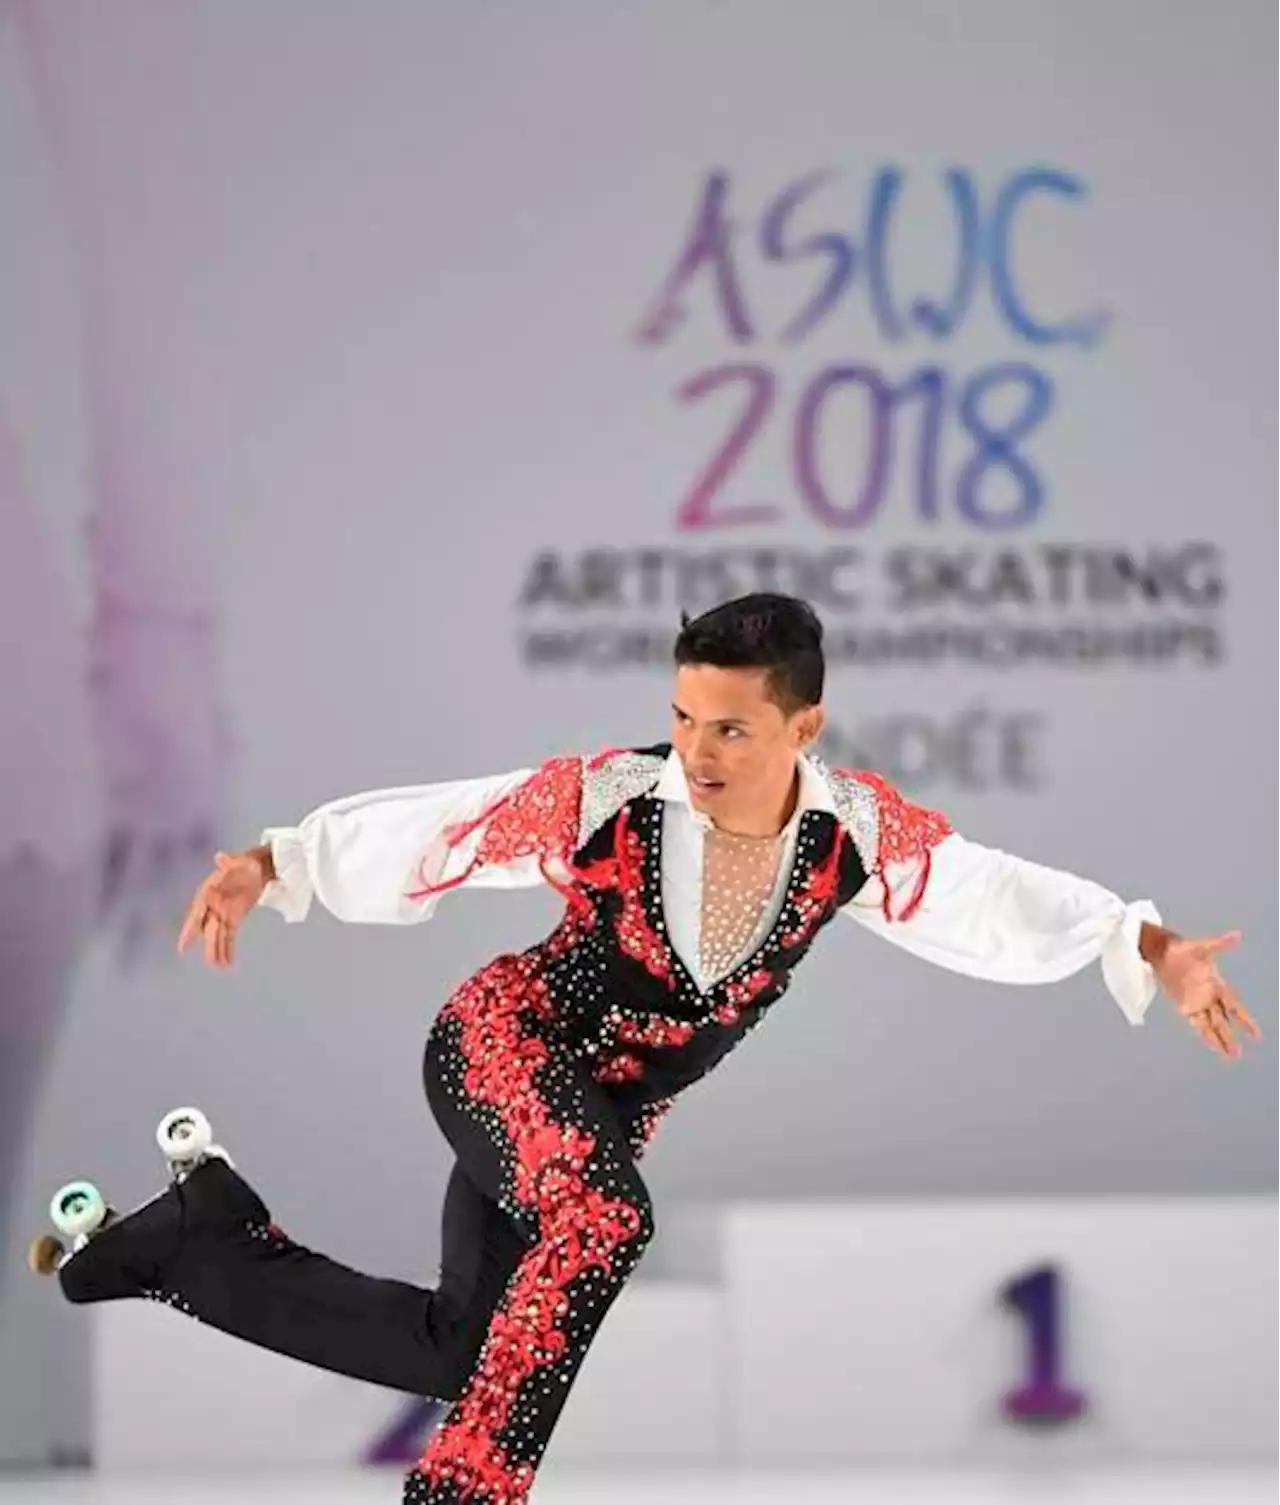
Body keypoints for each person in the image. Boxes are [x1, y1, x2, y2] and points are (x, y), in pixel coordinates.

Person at [49, 594, 1257, 1505]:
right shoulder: (606, 800)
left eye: (729, 725)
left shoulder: (855, 837)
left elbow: (988, 893)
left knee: (463, 1348)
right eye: (682, 715)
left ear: (803, 723)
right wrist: (279, 862)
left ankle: (199, 1243)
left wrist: (1143, 944)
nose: (696, 747)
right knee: (602, 1219)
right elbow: (442, 829)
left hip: (593, 1120)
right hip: (496, 1051)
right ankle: (459, 1495)